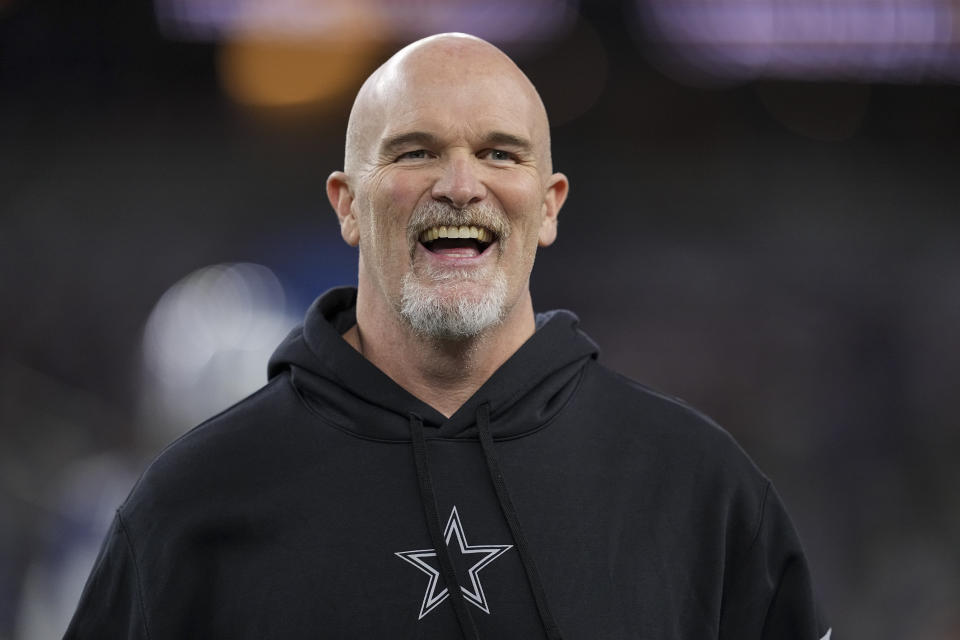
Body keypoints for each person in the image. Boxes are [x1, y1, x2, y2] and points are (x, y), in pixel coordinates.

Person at [65, 33, 831, 639]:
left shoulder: (702, 489)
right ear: (346, 202)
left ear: (551, 202)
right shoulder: (193, 502)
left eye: (500, 152)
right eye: (415, 151)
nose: (461, 184)